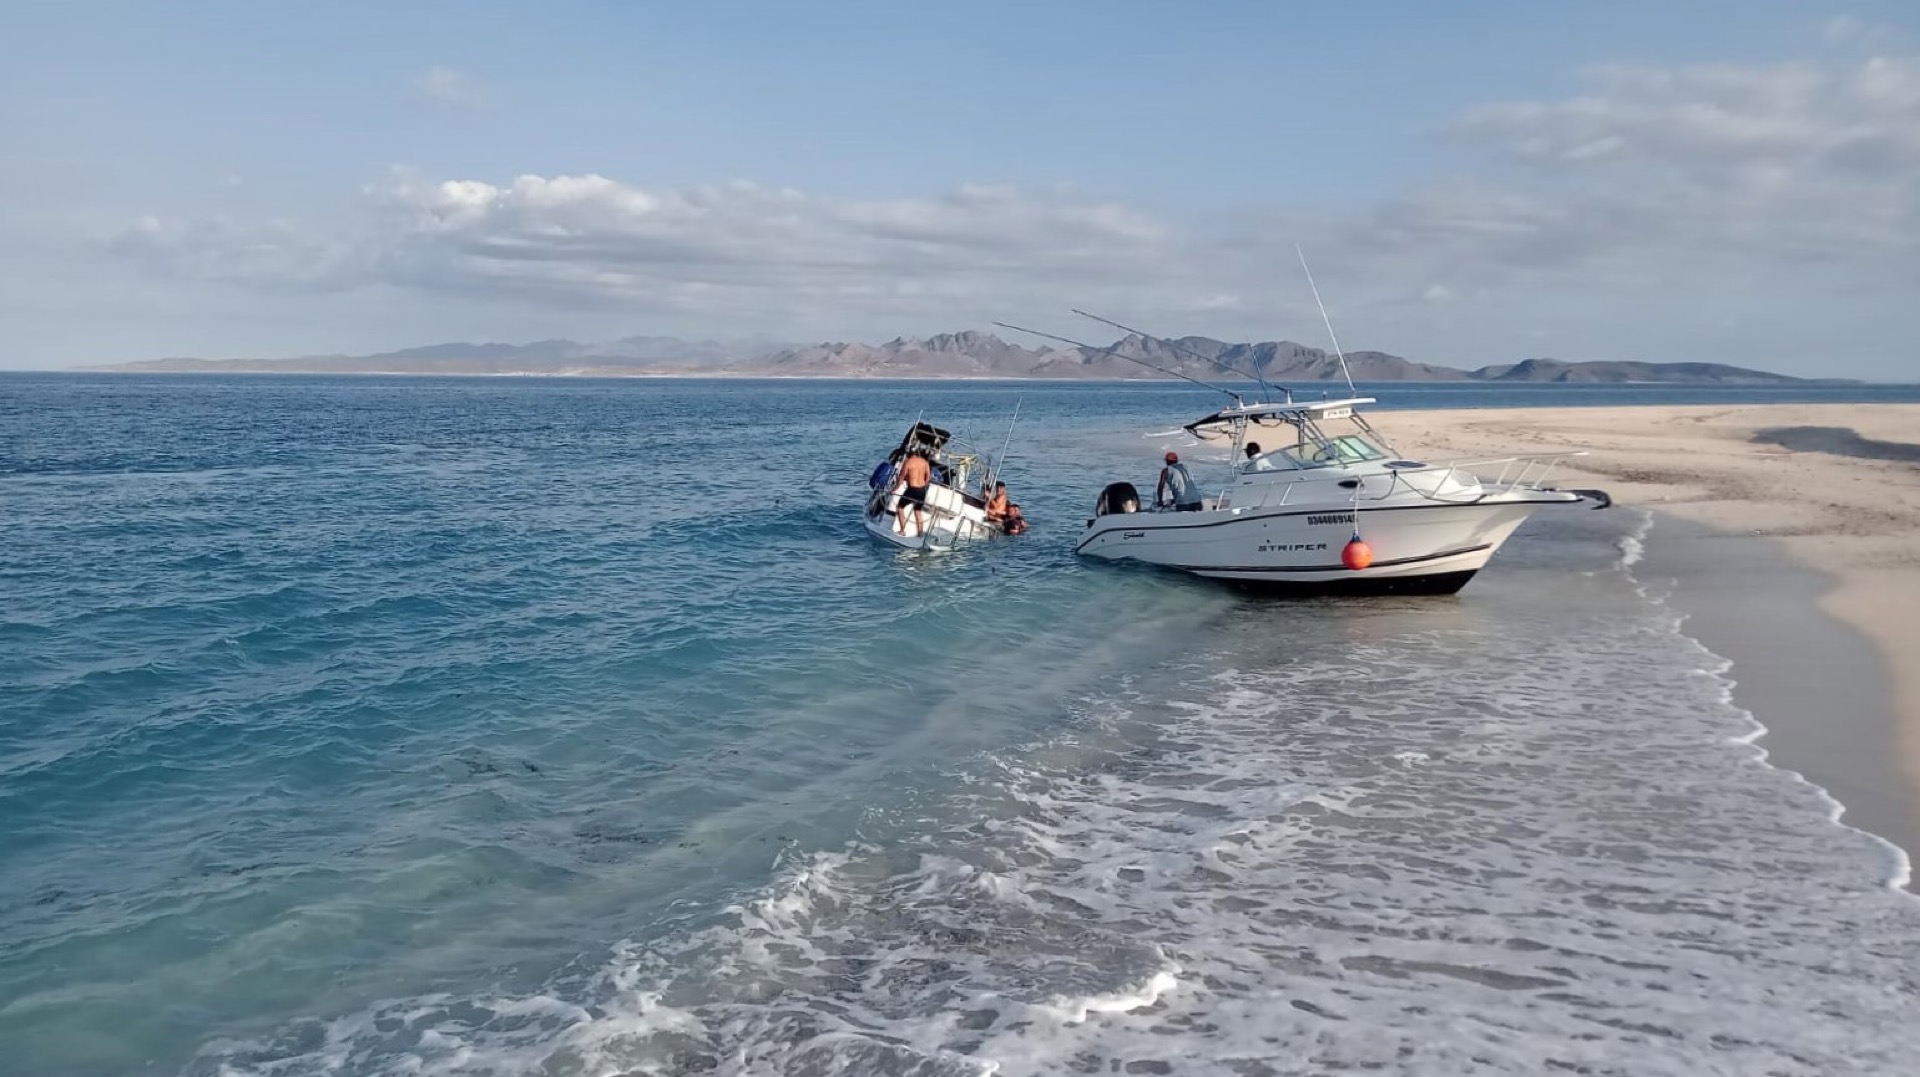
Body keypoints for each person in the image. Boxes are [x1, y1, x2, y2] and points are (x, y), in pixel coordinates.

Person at [894, 449, 934, 535]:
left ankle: (902, 530)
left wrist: (895, 488)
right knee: (918, 510)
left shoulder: (908, 462)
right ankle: (920, 533)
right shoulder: (925, 462)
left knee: (900, 507)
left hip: (912, 489)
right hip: (922, 490)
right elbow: (928, 478)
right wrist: (923, 487)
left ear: (908, 454)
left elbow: (901, 478)